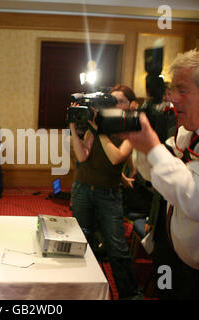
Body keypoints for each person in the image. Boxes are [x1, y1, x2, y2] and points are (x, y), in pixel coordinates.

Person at [125, 45, 199, 299]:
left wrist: (153, 147)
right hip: (179, 261)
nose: (172, 98)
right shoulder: (192, 127)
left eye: (182, 89)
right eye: (172, 88)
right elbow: (155, 174)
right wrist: (143, 146)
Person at [69, 84, 141, 299]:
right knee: (82, 239)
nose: (116, 104)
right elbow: (83, 157)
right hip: (83, 188)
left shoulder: (130, 127)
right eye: (113, 100)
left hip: (108, 194)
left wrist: (98, 129)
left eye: (121, 101)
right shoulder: (96, 126)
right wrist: (73, 127)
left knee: (117, 247)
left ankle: (130, 295)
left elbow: (116, 157)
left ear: (131, 105)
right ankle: (85, 290)